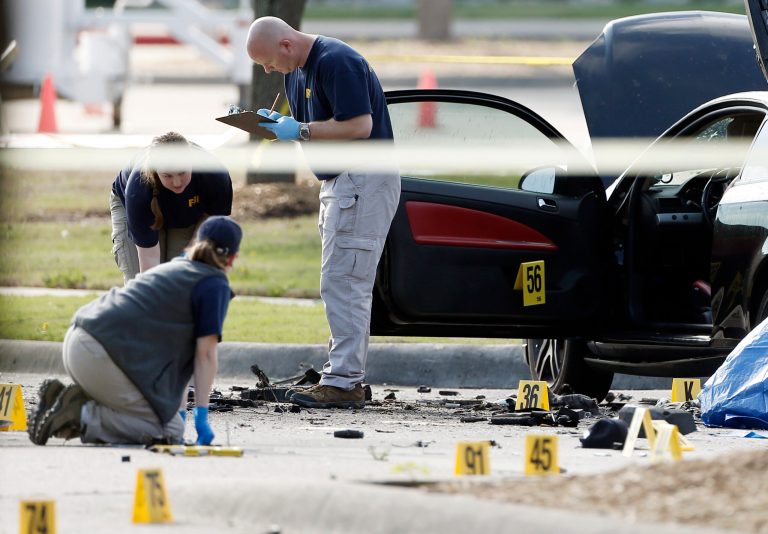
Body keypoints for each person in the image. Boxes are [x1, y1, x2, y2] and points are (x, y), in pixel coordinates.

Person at [246, 16, 401, 409]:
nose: (268, 70)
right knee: (337, 279)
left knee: (345, 280)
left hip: (363, 179)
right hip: (338, 183)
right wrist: (272, 126)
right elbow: (303, 126)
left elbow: (361, 126)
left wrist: (297, 131)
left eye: (267, 62)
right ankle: (342, 373)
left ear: (285, 44)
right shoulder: (295, 73)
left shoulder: (336, 60)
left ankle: (345, 381)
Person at [28, 216, 243, 446]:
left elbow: (181, 366)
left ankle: (65, 403)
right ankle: (79, 413)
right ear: (232, 259)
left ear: (196, 244)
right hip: (99, 354)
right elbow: (206, 356)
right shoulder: (213, 284)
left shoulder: (177, 268)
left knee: (171, 423)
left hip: (79, 340)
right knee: (168, 430)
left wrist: (178, 412)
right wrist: (201, 417)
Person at [110, 131, 233, 284]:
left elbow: (212, 228)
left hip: (190, 213)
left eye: (182, 172)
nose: (177, 182)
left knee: (183, 280)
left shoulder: (214, 174)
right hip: (136, 208)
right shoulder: (138, 189)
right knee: (140, 284)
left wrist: (190, 258)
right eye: (167, 175)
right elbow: (149, 256)